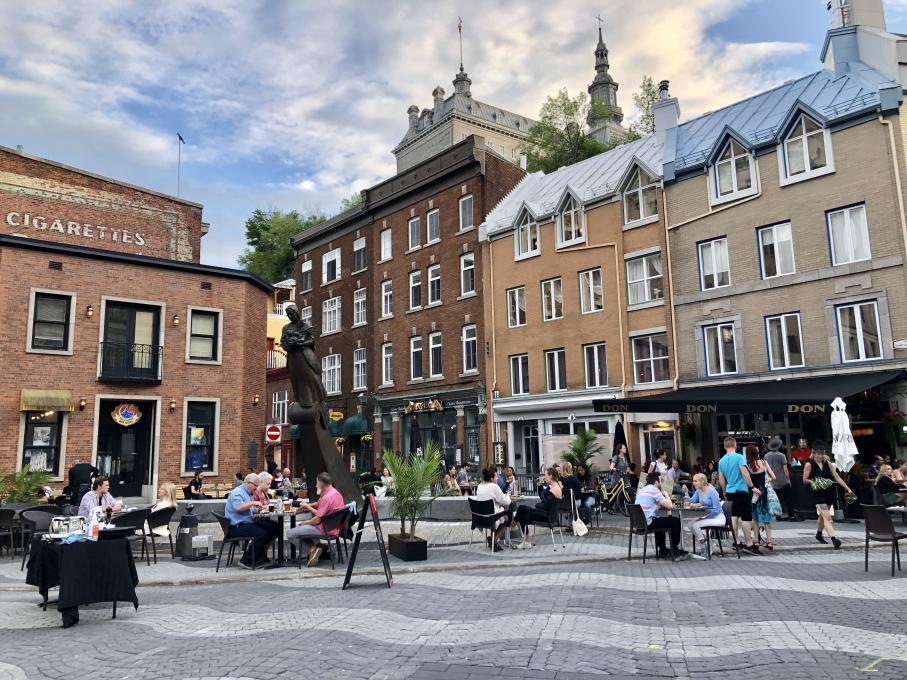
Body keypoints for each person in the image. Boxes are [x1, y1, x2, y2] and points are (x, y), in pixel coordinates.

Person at [287, 472, 346, 567]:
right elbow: (319, 504)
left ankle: (312, 550)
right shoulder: (334, 492)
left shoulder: (327, 497)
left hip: (325, 529)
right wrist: (308, 506)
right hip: (334, 527)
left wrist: (306, 521)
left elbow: (317, 519)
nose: (315, 485)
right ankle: (320, 547)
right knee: (304, 529)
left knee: (290, 533)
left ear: (321, 483)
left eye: (317, 482)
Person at [802, 441, 853, 550]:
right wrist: (815, 481)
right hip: (817, 493)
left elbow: (837, 477)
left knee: (822, 516)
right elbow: (804, 480)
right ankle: (834, 539)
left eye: (821, 454)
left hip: (829, 493)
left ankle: (819, 534)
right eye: (818, 454)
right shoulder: (809, 464)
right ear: (813, 453)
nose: (820, 456)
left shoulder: (828, 463)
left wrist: (847, 489)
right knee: (827, 516)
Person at [224, 473, 277, 568]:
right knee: (261, 533)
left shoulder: (248, 493)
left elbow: (249, 510)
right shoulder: (237, 492)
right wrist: (253, 502)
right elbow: (238, 507)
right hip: (236, 527)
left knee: (272, 527)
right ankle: (246, 561)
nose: (256, 488)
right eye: (255, 485)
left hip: (246, 523)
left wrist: (261, 508)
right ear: (248, 483)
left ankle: (260, 557)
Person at [718, 436, 760, 555]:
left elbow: (721, 478)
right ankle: (749, 544)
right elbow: (744, 472)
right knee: (746, 518)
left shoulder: (721, 461)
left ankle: (736, 541)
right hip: (741, 490)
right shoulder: (739, 457)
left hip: (730, 491)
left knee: (734, 516)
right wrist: (752, 487)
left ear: (725, 446)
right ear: (735, 445)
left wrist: (724, 491)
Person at [636, 471, 689, 560]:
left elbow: (662, 505)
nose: (662, 483)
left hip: (638, 524)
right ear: (656, 482)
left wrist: (669, 512)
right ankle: (674, 550)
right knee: (675, 521)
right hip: (648, 523)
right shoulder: (654, 490)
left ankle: (663, 550)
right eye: (661, 481)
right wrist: (666, 494)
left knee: (662, 521)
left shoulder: (642, 490)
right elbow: (669, 505)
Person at [514, 467, 562, 548]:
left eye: (545, 475)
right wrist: (540, 487)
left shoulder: (555, 489)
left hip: (548, 517)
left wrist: (536, 505)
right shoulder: (554, 487)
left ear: (551, 476)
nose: (544, 477)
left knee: (523, 511)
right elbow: (544, 500)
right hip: (549, 515)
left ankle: (514, 525)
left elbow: (545, 505)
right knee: (522, 508)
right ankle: (523, 537)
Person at [686, 473, 724, 559]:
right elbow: (691, 501)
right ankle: (709, 543)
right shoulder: (698, 491)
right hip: (709, 517)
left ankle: (704, 546)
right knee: (689, 524)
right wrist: (686, 492)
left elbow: (717, 509)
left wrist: (706, 518)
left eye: (695, 481)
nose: (693, 483)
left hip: (718, 517)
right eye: (693, 481)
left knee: (695, 525)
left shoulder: (712, 491)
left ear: (702, 481)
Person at [746, 444, 776, 551]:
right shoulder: (764, 462)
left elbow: (747, 480)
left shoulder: (748, 466)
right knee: (766, 517)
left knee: (755, 518)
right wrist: (767, 481)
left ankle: (756, 541)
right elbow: (774, 476)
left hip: (753, 493)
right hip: (764, 492)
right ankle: (769, 541)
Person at [475, 468, 512, 551]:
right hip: (491, 519)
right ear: (491, 478)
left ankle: (493, 542)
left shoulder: (479, 486)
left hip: (480, 519)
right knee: (507, 518)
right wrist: (508, 496)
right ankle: (493, 540)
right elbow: (506, 502)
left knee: (500, 514)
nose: (497, 478)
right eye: (496, 476)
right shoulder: (494, 486)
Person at [763, 439, 791, 520]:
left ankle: (778, 515)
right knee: (788, 498)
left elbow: (765, 469)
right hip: (783, 480)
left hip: (772, 480)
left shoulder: (766, 456)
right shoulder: (782, 455)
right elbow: (785, 469)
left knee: (777, 498)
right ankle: (791, 513)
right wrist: (788, 479)